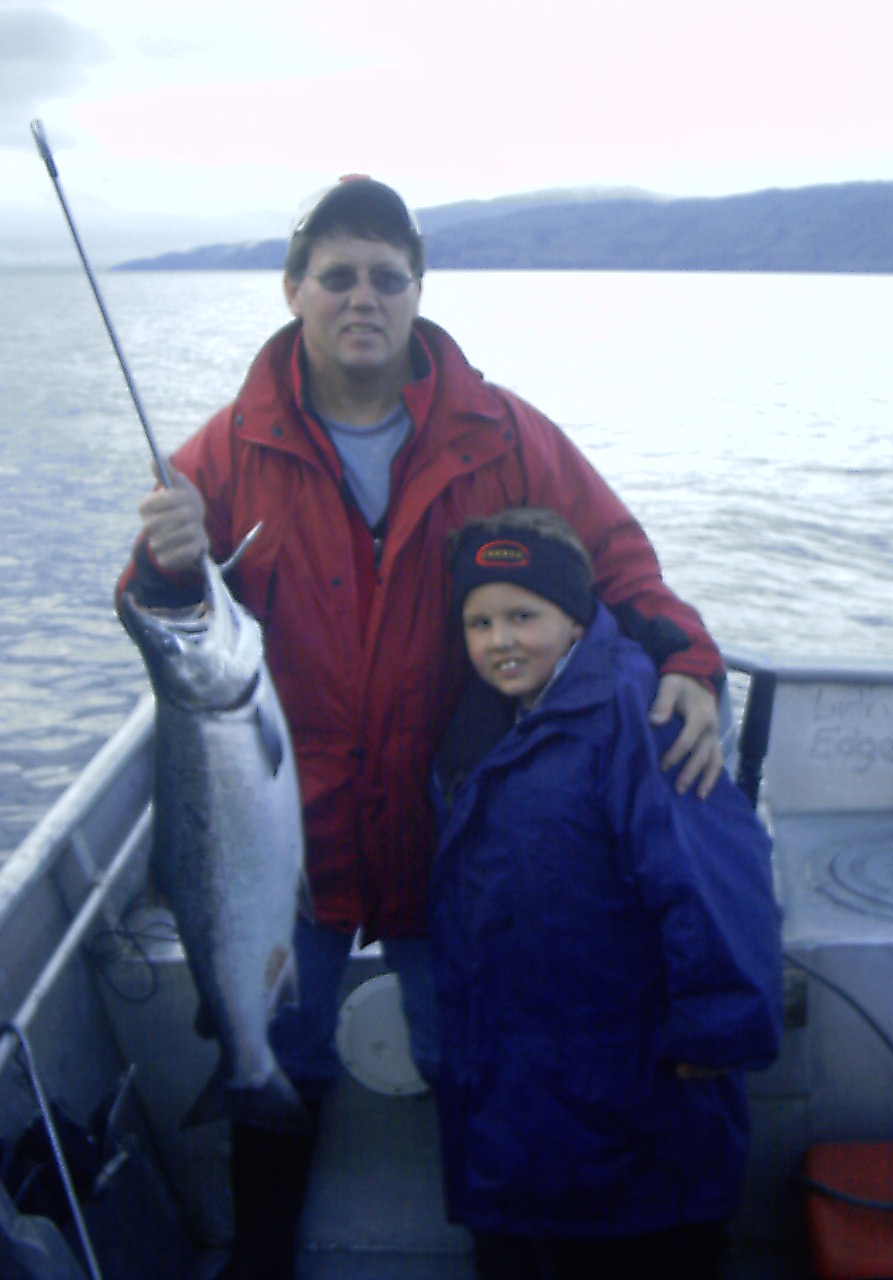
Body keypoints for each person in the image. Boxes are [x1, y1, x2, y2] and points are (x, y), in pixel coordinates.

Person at [117, 177, 729, 1279]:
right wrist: (166, 565)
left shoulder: (503, 433)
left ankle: (507, 1251)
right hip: (288, 833)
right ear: (293, 288)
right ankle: (261, 1253)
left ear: (418, 289)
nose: (364, 297)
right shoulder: (227, 450)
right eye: (338, 276)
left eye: (386, 278)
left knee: (476, 1052)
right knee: (282, 1042)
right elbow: (156, 616)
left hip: (465, 829)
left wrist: (687, 659)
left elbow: (616, 560)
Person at [430, 507, 783, 1280]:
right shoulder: (494, 722)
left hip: (631, 1088)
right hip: (527, 1083)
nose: (500, 640)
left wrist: (715, 1029)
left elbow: (713, 878)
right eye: (480, 622)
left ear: (576, 616)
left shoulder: (640, 713)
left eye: (524, 616)